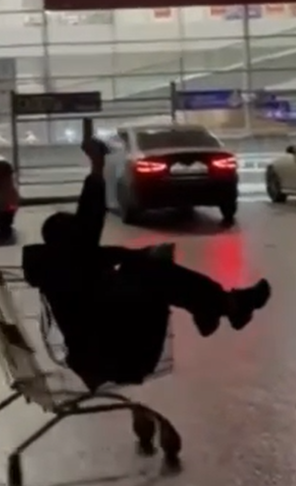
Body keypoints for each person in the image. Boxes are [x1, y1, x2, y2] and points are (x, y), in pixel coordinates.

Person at [23, 137, 271, 388]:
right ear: (72, 240)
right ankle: (220, 306)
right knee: (150, 273)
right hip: (114, 354)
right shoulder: (69, 265)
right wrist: (97, 167)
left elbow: (102, 247)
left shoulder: (60, 268)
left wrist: (138, 256)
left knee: (146, 269)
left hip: (105, 348)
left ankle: (218, 306)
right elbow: (90, 222)